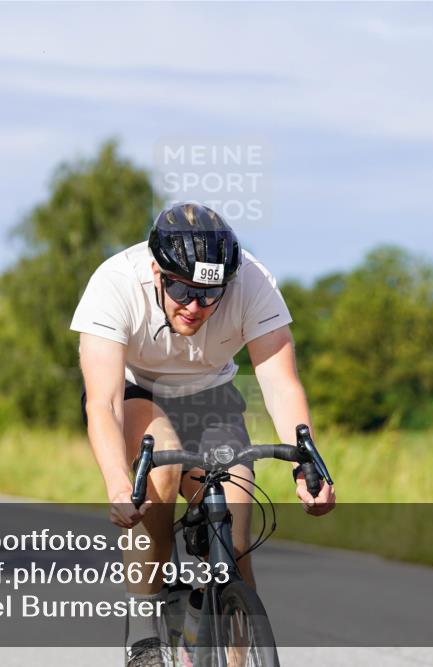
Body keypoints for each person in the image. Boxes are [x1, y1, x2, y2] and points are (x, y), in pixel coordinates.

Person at [71, 202, 335, 666]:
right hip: (137, 391)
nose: (195, 307)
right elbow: (103, 402)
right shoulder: (114, 283)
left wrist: (308, 463)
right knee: (161, 477)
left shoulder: (253, 281)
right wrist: (117, 481)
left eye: (210, 295)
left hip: (211, 394)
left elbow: (279, 381)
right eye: (181, 290)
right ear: (157, 270)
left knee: (234, 540)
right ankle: (142, 633)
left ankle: (218, 629)